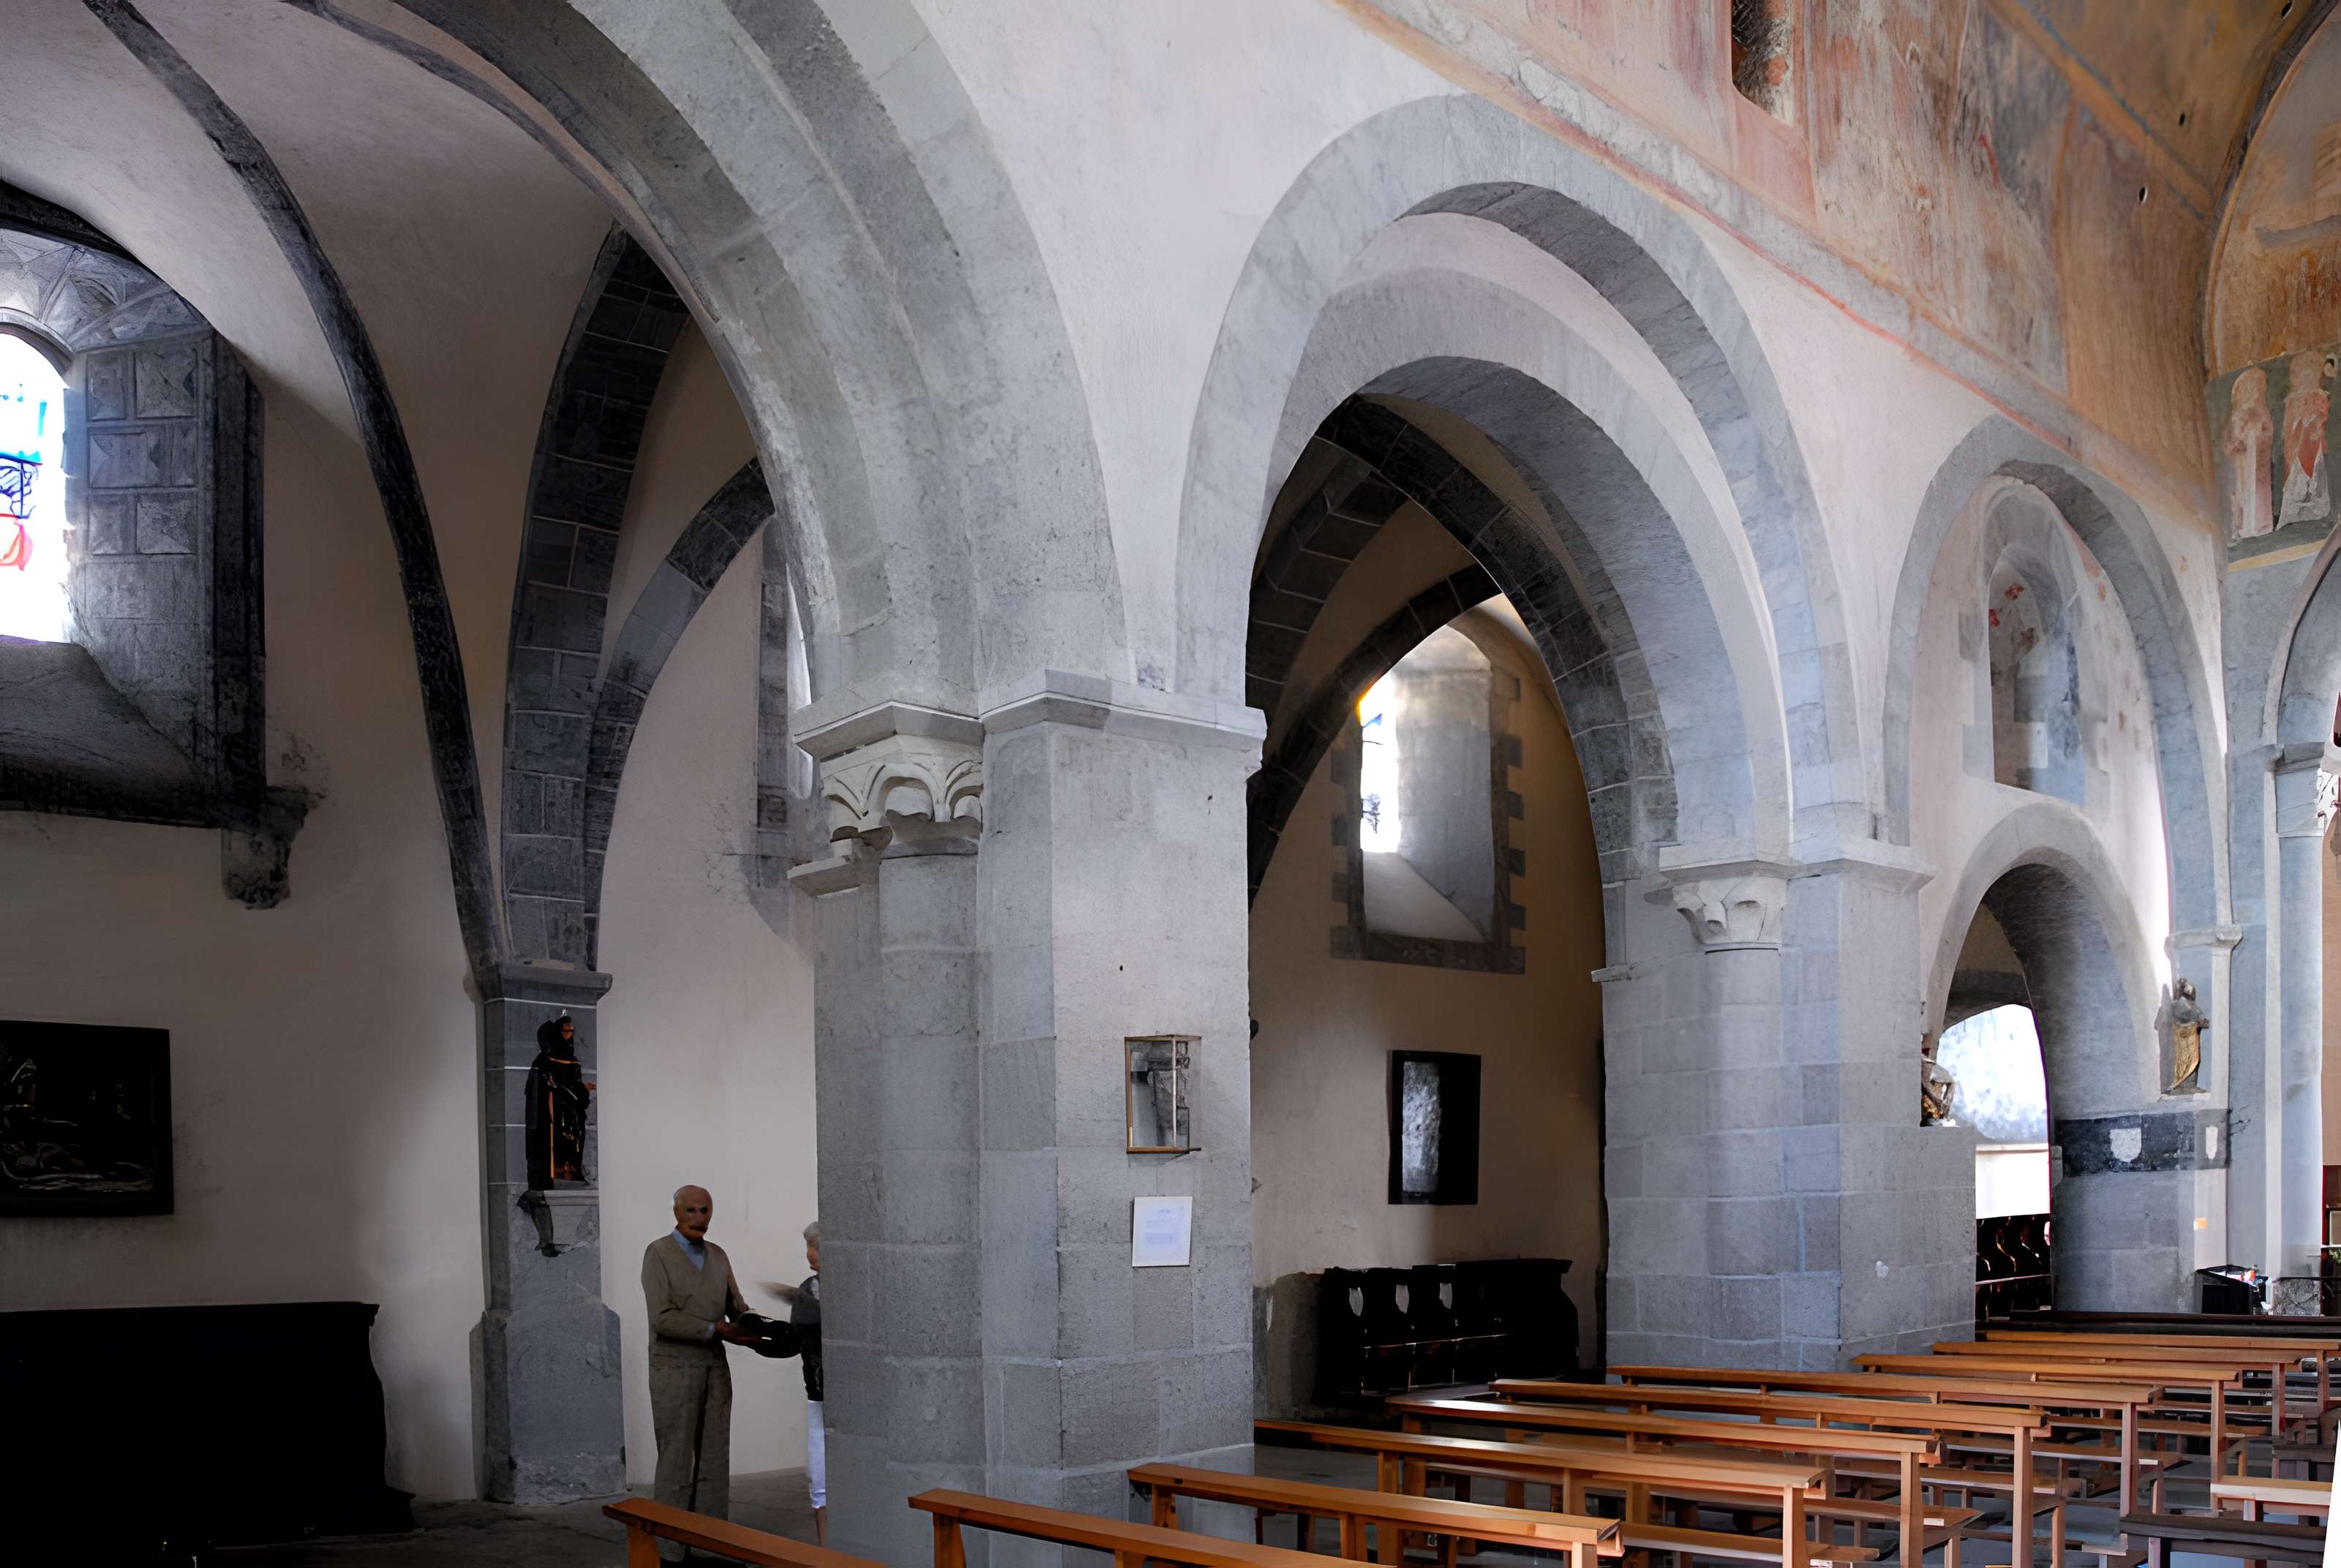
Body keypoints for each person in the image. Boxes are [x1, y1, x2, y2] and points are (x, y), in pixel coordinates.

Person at [642, 1185, 759, 1563]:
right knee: (676, 1460)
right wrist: (714, 1329)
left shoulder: (718, 1256)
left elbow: (736, 1306)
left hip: (714, 1367)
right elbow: (662, 1319)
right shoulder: (658, 1253)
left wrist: (752, 1324)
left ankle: (711, 1544)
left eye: (705, 1211)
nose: (698, 1218)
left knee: (714, 1459)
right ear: (676, 1211)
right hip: (674, 1367)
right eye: (690, 1210)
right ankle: (669, 1551)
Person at [762, 1221, 824, 1545]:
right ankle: (827, 1547)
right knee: (821, 1477)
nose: (808, 1254)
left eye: (812, 1247)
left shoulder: (817, 1289)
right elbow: (798, 1334)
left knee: (831, 1473)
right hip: (819, 1388)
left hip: (837, 1389)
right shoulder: (809, 1287)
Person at [525, 1015, 593, 1189]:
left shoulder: (572, 1058)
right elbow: (546, 1085)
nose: (569, 1034)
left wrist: (583, 1091)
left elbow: (576, 1082)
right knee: (557, 1139)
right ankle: (556, 1171)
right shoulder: (544, 1060)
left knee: (576, 1139)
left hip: (573, 1108)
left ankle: (573, 1169)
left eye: (571, 1031)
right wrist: (561, 1091)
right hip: (555, 1106)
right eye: (565, 1030)